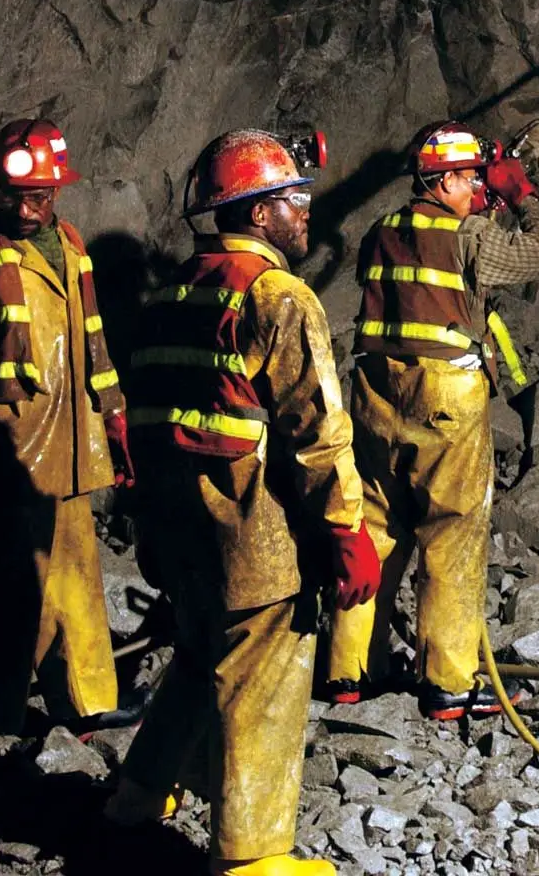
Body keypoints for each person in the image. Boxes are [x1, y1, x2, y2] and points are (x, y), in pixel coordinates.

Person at [103, 129, 375, 876]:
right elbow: (317, 428)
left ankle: (136, 797)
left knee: (196, 661)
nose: (303, 212)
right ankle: (253, 859)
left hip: (182, 526)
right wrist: (347, 528)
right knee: (263, 684)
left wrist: (151, 526)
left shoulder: (172, 293)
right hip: (255, 531)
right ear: (257, 214)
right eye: (292, 199)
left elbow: (148, 423)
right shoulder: (277, 296)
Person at [323, 121, 539, 719]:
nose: (479, 188)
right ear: (447, 178)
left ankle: (349, 672)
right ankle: (450, 683)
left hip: (376, 394)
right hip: (445, 394)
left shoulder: (381, 232)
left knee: (376, 529)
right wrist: (520, 195)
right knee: (452, 534)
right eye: (473, 178)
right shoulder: (469, 234)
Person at [0, 119, 130, 742]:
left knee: (75, 579)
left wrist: (113, 418)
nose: (32, 206)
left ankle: (86, 706)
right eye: (21, 195)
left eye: (43, 194)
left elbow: (94, 341)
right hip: (6, 450)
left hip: (69, 444)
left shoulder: (71, 244)